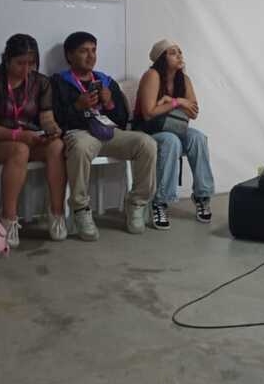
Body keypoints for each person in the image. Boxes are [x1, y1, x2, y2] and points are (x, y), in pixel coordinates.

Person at [51, 31, 156, 241]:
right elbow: (54, 119)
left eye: (94, 50)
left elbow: (122, 119)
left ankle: (137, 203)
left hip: (109, 133)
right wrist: (77, 106)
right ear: (69, 55)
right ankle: (81, 209)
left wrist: (109, 103)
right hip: (81, 133)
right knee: (80, 147)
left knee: (147, 143)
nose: (91, 56)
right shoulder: (58, 82)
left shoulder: (105, 81)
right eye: (84, 51)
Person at [0, 34, 65, 247]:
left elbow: (46, 118)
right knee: (19, 150)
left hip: (29, 138)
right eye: (20, 63)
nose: (26, 69)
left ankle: (57, 213)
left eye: (31, 63)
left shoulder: (41, 82)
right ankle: (9, 218)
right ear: (7, 60)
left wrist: (52, 130)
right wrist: (17, 135)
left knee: (57, 146)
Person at [134, 39, 215, 229]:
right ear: (161, 58)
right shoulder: (152, 75)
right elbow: (148, 113)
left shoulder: (183, 79)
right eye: (173, 53)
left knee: (198, 137)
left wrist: (170, 100)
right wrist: (178, 102)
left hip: (173, 126)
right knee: (171, 141)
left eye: (180, 52)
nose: (179, 55)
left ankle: (202, 195)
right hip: (148, 130)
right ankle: (160, 201)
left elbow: (193, 112)